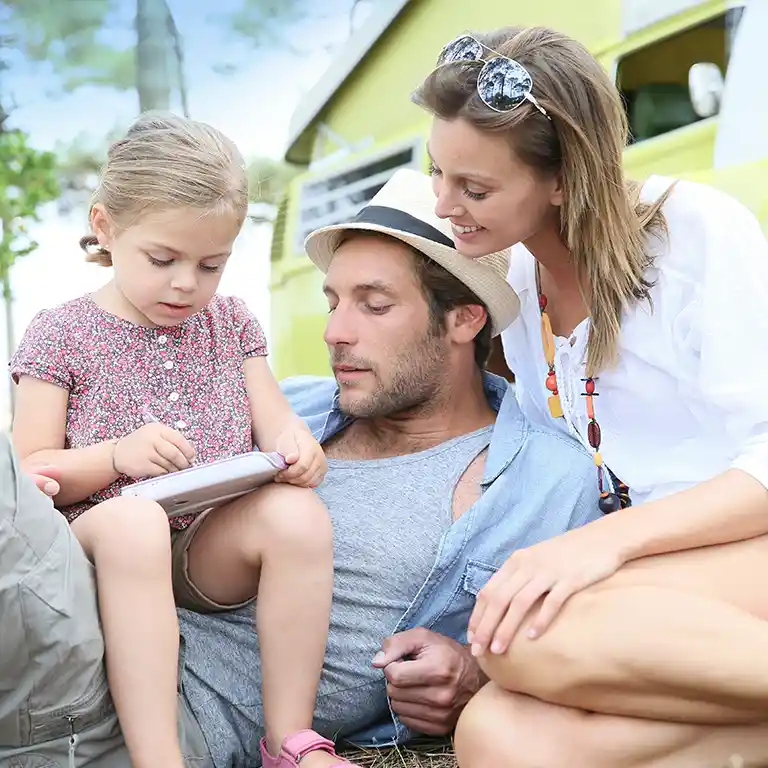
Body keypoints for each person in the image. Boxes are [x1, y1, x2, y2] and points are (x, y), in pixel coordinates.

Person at [1, 167, 600, 767]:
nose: (335, 333)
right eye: (333, 302)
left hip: (142, 719)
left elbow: (589, 650)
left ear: (464, 319)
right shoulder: (294, 404)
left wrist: (477, 677)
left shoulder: (545, 478)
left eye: (375, 305)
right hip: (74, 619)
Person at [412, 24, 768, 766]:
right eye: (437, 173)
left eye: (475, 187)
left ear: (564, 179)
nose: (445, 204)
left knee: (537, 632)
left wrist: (596, 545)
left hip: (743, 545)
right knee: (495, 736)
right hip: (660, 580)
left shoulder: (695, 234)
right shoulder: (518, 288)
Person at [8, 112, 358, 768]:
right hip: (97, 541)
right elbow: (29, 474)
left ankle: (291, 740)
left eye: (211, 264)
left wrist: (295, 445)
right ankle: (160, 759)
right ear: (106, 227)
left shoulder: (229, 322)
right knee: (138, 523)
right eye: (163, 259)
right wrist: (115, 456)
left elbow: (275, 417)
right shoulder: (61, 334)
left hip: (202, 540)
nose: (186, 284)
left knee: (297, 516)